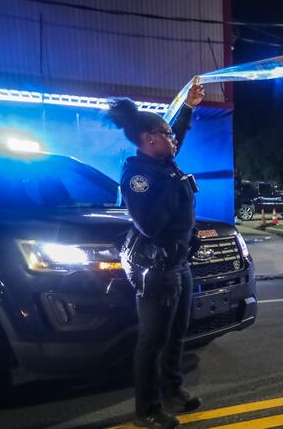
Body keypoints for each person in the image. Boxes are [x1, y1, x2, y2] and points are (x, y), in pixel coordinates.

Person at [108, 82, 205, 429]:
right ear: (149, 138)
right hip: (155, 264)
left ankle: (171, 390)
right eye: (166, 134)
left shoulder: (161, 163)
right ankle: (146, 410)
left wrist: (189, 108)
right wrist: (174, 186)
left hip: (178, 261)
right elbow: (149, 224)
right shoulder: (138, 176)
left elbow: (174, 132)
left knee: (177, 332)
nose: (174, 139)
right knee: (152, 339)